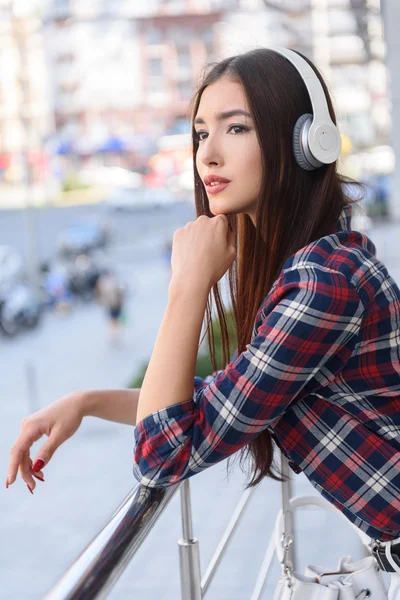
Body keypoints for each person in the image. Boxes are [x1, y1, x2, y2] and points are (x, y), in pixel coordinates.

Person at [6, 47, 400, 596]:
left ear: (306, 143)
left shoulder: (322, 285)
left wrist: (188, 285)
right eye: (198, 134)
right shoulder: (322, 265)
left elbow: (162, 454)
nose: (207, 155)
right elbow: (220, 399)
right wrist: (88, 401)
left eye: (235, 128)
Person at [95, 269, 126, 343]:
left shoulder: (107, 282)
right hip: (112, 304)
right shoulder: (105, 283)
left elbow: (120, 293)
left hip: (114, 304)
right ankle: (115, 335)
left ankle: (115, 334)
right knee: (114, 321)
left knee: (114, 320)